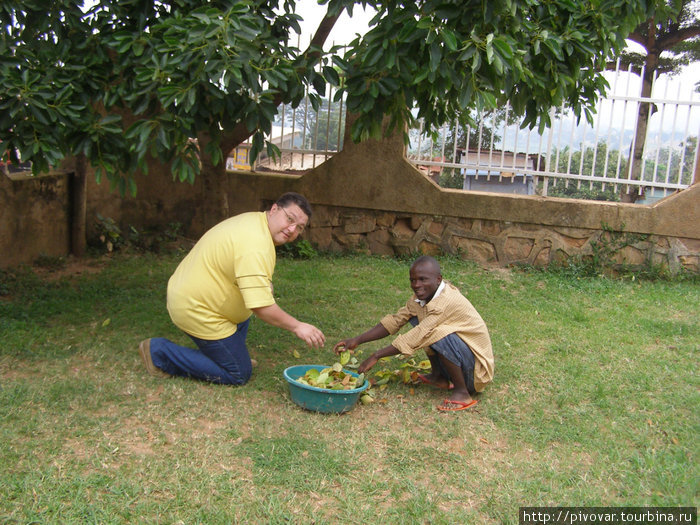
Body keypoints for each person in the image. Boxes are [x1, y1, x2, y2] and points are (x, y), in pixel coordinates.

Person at [138, 192, 325, 385]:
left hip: (196, 296)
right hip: (195, 307)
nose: (292, 229)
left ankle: (227, 356)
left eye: (299, 227)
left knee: (248, 310)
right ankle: (159, 352)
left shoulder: (257, 223)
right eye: (289, 219)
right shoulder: (256, 243)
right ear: (274, 209)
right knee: (239, 373)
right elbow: (262, 307)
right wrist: (297, 326)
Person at [333, 255, 493, 411]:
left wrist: (377, 355)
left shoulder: (446, 301)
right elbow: (395, 321)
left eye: (423, 279)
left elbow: (420, 334)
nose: (416, 285)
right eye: (413, 280)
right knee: (421, 321)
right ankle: (439, 377)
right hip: (462, 362)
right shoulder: (421, 299)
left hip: (476, 374)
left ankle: (462, 393)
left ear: (438, 279)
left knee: (435, 331)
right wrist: (357, 339)